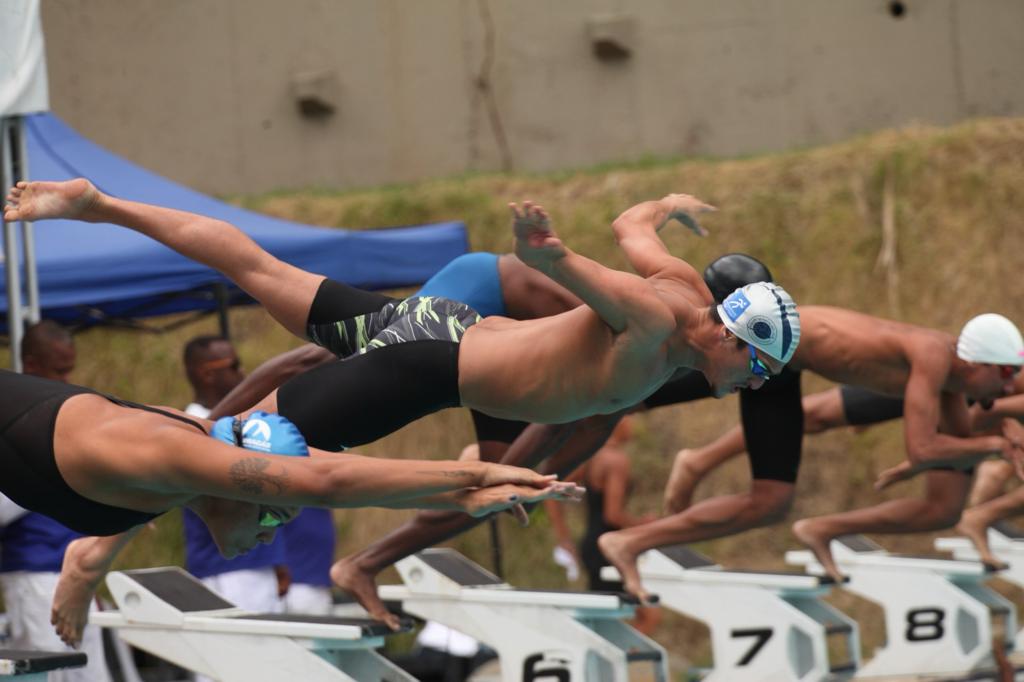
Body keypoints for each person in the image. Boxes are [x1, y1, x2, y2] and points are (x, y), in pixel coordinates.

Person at [4, 179, 798, 453]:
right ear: (732, 335)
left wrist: (669, 203)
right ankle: (105, 519)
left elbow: (632, 228)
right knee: (248, 453)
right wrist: (544, 247)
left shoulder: (687, 296)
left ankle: (98, 205)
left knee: (259, 270)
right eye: (760, 368)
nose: (758, 383)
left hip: (439, 334)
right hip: (429, 366)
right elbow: (581, 269)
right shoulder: (657, 322)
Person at [650, 310, 1024, 587]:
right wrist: (996, 443)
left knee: (945, 507)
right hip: (777, 347)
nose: (1010, 387)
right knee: (641, 391)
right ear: (979, 362)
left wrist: (990, 444)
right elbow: (927, 448)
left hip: (815, 356)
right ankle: (695, 464)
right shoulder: (935, 357)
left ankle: (821, 528)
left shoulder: (952, 375)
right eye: (1008, 375)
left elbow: (956, 445)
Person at [0, 321, 112, 682]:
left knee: (88, 674)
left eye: (70, 369)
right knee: (47, 675)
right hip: (34, 575)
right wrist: (51, 478)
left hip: (70, 572)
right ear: (31, 364)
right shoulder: (11, 415)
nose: (68, 379)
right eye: (59, 370)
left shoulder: (59, 412)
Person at [181, 335, 291, 640]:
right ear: (206, 373)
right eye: (234, 365)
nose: (243, 375)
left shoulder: (233, 426)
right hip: (227, 570)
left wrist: (276, 559)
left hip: (254, 564)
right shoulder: (193, 427)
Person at [546, 416, 661, 634]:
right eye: (629, 418)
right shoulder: (617, 461)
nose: (633, 425)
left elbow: (552, 492)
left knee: (605, 618)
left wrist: (564, 538)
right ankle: (608, 663)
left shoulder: (591, 457)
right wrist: (645, 525)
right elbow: (613, 516)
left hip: (592, 545)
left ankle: (602, 661)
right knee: (648, 616)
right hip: (610, 550)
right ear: (616, 421)